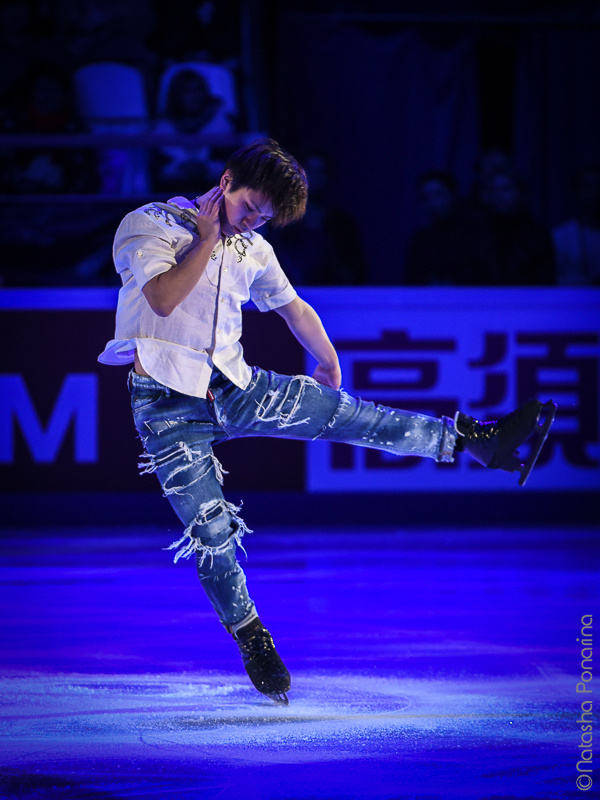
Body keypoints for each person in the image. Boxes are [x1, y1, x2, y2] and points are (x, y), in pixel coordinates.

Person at [98, 138, 555, 705]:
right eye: (247, 210)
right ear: (224, 183)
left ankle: (472, 440)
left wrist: (328, 357)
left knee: (351, 415)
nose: (250, 225)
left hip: (235, 388)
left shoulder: (251, 248)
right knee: (212, 533)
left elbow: (292, 305)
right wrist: (210, 235)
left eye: (263, 219)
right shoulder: (150, 225)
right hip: (166, 406)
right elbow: (163, 300)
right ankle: (250, 635)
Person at [552, 164, 600, 286]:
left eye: (599, 187)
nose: (596, 194)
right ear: (577, 192)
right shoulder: (561, 237)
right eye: (588, 187)